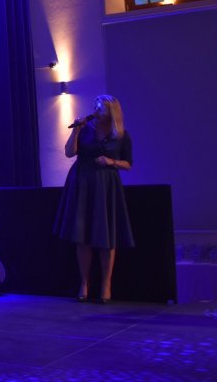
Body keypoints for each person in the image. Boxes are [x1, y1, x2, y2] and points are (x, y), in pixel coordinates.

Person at [53, 94, 134, 303]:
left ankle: (106, 284)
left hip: (106, 185)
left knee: (107, 236)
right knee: (82, 234)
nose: (96, 110)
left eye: (101, 108)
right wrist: (76, 130)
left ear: (111, 111)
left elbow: (128, 164)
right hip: (82, 183)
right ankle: (84, 283)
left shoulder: (121, 134)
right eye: (95, 106)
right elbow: (69, 152)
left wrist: (111, 162)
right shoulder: (85, 129)